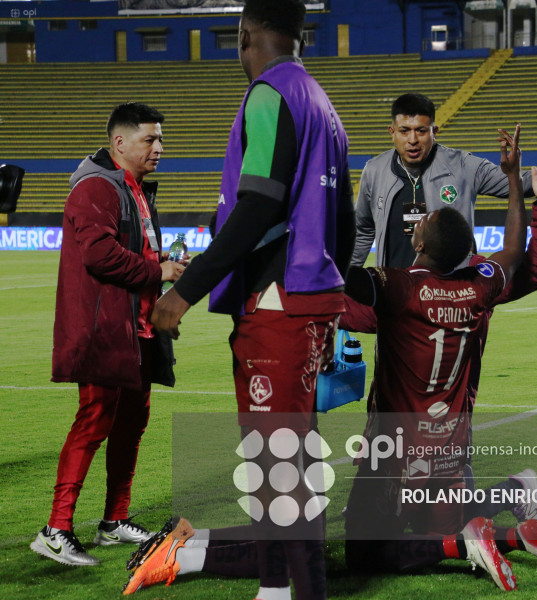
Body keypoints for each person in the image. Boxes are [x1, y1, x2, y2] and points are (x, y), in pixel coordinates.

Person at [144, 1, 355, 599]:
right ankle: (275, 586)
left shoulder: (270, 93)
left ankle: (300, 591)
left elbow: (259, 203)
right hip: (308, 298)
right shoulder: (323, 104)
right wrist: (328, 291)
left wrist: (184, 292)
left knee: (279, 463)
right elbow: (341, 219)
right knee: (287, 457)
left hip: (276, 302)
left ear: (245, 35)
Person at [343, 125, 537, 590]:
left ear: (418, 244)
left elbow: (338, 283)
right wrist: (525, 188)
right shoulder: (482, 286)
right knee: (435, 522)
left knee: (364, 551)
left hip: (396, 446)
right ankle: (514, 512)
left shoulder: (397, 290)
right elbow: (520, 255)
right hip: (451, 445)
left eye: (423, 223)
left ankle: (466, 542)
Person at [31, 102, 185, 567]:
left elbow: (131, 250)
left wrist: (161, 267)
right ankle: (55, 529)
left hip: (137, 328)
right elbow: (99, 255)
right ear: (120, 142)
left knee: (132, 422)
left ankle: (114, 520)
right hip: (104, 329)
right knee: (94, 418)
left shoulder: (133, 187)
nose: (159, 148)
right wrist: (158, 271)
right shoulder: (96, 187)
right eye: (149, 139)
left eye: (160, 139)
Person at [351, 91, 537, 270]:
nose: (413, 139)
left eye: (421, 131)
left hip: (449, 293)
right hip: (392, 294)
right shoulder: (374, 170)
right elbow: (362, 230)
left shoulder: (463, 165)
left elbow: (519, 182)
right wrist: (345, 279)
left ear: (435, 131)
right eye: (404, 131)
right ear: (392, 132)